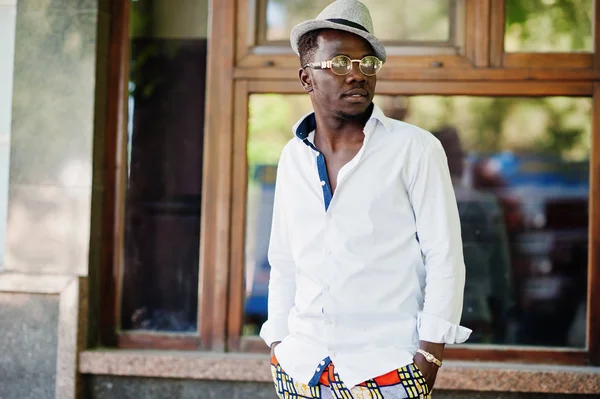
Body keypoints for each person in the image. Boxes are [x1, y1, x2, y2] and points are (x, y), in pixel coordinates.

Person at [260, 1, 471, 397]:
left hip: (387, 370)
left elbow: (445, 259)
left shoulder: (416, 150)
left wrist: (429, 360)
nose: (356, 74)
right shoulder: (293, 157)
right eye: (339, 63)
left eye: (367, 64)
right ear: (307, 77)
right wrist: (278, 345)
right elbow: (284, 261)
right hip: (301, 369)